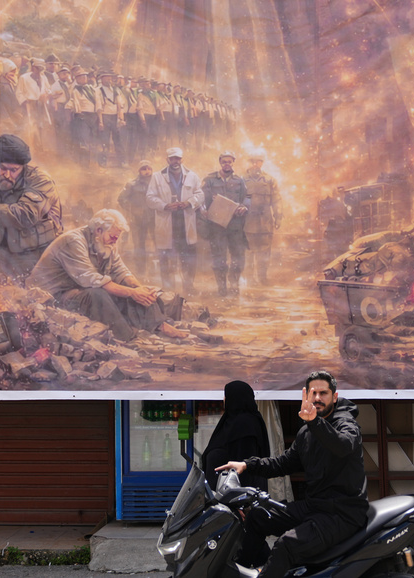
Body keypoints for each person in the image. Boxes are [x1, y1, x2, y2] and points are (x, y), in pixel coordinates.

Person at [216, 370, 368, 577]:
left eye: (323, 393)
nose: (317, 398)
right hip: (314, 506)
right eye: (312, 393)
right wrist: (246, 464)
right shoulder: (307, 431)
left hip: (341, 513)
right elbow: (284, 463)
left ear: (335, 397)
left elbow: (343, 445)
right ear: (306, 396)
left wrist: (314, 422)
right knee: (257, 517)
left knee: (286, 544)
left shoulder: (346, 423)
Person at [27, 209, 188, 342]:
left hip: (78, 291)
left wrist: (139, 288)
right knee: (98, 294)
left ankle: (159, 325)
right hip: (53, 297)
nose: (114, 241)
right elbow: (91, 280)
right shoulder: (73, 241)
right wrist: (132, 292)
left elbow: (120, 271)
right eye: (112, 237)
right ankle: (127, 337)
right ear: (98, 230)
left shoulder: (105, 242)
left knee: (132, 288)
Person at [0, 134, 63, 283]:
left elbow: (26, 215)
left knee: (26, 296)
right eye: (3, 168)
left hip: (33, 255)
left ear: (23, 167)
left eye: (14, 170)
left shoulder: (40, 181)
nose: (7, 174)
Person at [146, 148, 204, 295]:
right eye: (172, 159)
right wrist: (165, 206)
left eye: (178, 158)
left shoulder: (192, 176)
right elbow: (150, 198)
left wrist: (189, 203)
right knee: (165, 256)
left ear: (182, 159)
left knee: (189, 256)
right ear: (167, 160)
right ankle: (167, 287)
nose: (175, 161)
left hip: (185, 222)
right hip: (167, 221)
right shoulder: (157, 177)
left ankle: (188, 285)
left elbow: (200, 194)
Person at [202, 380, 271, 491]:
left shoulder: (245, 425)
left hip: (236, 500)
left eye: (226, 396)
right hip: (222, 497)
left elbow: (245, 468)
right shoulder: (230, 422)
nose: (224, 400)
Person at [202, 151, 250, 297]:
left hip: (235, 225)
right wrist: (208, 204)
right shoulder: (210, 179)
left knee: (238, 256)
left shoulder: (239, 180)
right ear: (220, 162)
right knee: (219, 257)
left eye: (229, 161)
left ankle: (234, 284)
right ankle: (221, 287)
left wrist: (244, 206)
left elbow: (246, 197)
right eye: (224, 162)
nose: (226, 164)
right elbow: (202, 198)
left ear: (233, 162)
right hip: (217, 225)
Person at [243, 153, 282, 286]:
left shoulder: (270, 180)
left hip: (265, 222)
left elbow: (276, 200)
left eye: (258, 162)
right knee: (248, 252)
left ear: (261, 163)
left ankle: (262, 278)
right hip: (247, 222)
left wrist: (278, 216)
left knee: (264, 252)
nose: (255, 164)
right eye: (252, 162)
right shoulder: (242, 180)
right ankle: (249, 279)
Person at [117, 160, 156, 279]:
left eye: (149, 168)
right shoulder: (132, 184)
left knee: (159, 244)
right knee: (139, 246)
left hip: (154, 218)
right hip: (137, 220)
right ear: (139, 171)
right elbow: (121, 199)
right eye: (144, 169)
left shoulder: (157, 183)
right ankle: (141, 272)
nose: (147, 171)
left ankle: (159, 272)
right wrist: (133, 210)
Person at [17, 58, 54, 150]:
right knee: (29, 125)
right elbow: (19, 92)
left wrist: (46, 94)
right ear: (33, 67)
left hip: (41, 104)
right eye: (38, 68)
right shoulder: (24, 78)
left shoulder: (43, 78)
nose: (40, 71)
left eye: (42, 69)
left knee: (41, 125)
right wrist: (25, 102)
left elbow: (48, 89)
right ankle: (29, 146)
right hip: (29, 104)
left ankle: (40, 146)